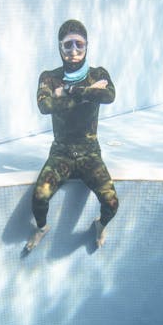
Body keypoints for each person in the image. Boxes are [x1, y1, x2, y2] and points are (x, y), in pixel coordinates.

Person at [26, 19, 118, 252]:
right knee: (39, 198)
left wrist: (68, 91)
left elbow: (108, 95)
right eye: (68, 45)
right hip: (62, 152)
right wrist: (88, 93)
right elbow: (45, 105)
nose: (74, 51)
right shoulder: (49, 77)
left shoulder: (99, 73)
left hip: (90, 153)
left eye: (79, 44)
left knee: (111, 203)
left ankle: (100, 224)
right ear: (60, 47)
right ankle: (42, 227)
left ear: (87, 45)